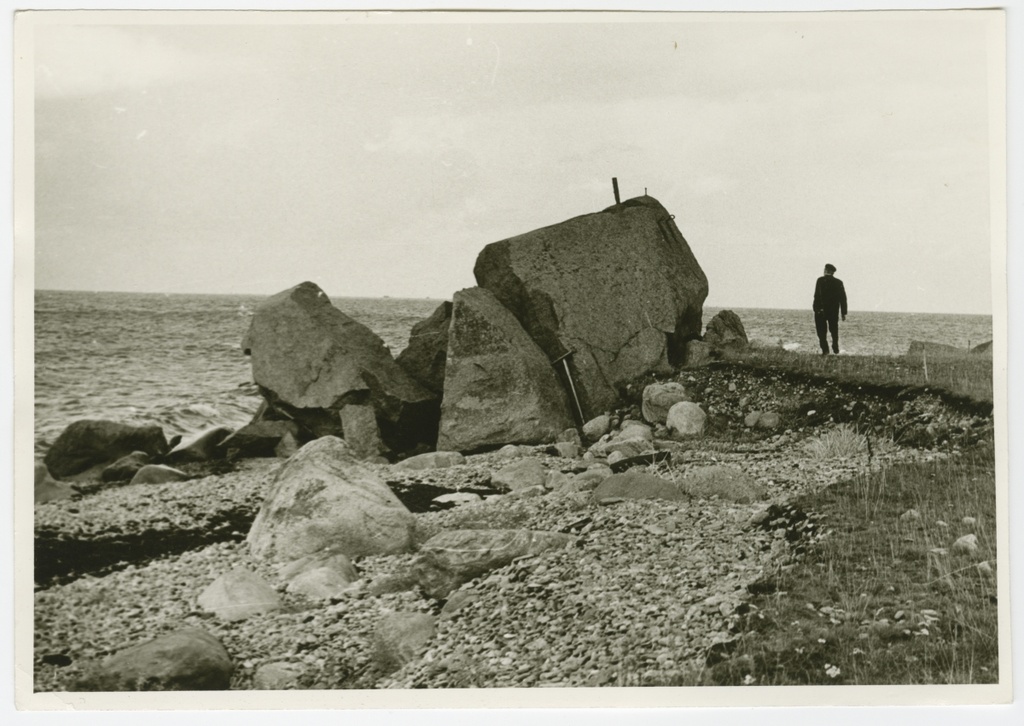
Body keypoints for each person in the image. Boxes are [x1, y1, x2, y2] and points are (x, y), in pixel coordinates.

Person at [813, 263, 847, 355]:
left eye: (825, 270)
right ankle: (835, 347)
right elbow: (843, 298)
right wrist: (843, 312)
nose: (824, 271)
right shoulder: (839, 282)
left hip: (821, 311)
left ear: (827, 271)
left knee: (821, 332)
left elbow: (816, 296)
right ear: (833, 272)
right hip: (833, 311)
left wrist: (816, 309)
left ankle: (825, 350)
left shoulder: (820, 280)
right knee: (834, 330)